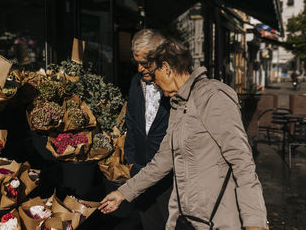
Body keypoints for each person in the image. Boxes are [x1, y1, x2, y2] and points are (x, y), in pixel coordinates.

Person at [99, 40, 268, 230]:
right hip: (183, 219)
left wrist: (255, 222)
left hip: (216, 220)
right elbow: (162, 161)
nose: (153, 82)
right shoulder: (178, 105)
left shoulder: (212, 96)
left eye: (154, 75)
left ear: (166, 68)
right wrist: (122, 193)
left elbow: (242, 162)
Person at [122, 29, 172, 230]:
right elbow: (132, 121)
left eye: (145, 63)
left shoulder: (174, 86)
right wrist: (132, 161)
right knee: (149, 222)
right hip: (141, 169)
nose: (140, 69)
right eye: (137, 63)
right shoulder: (136, 82)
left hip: (170, 174)